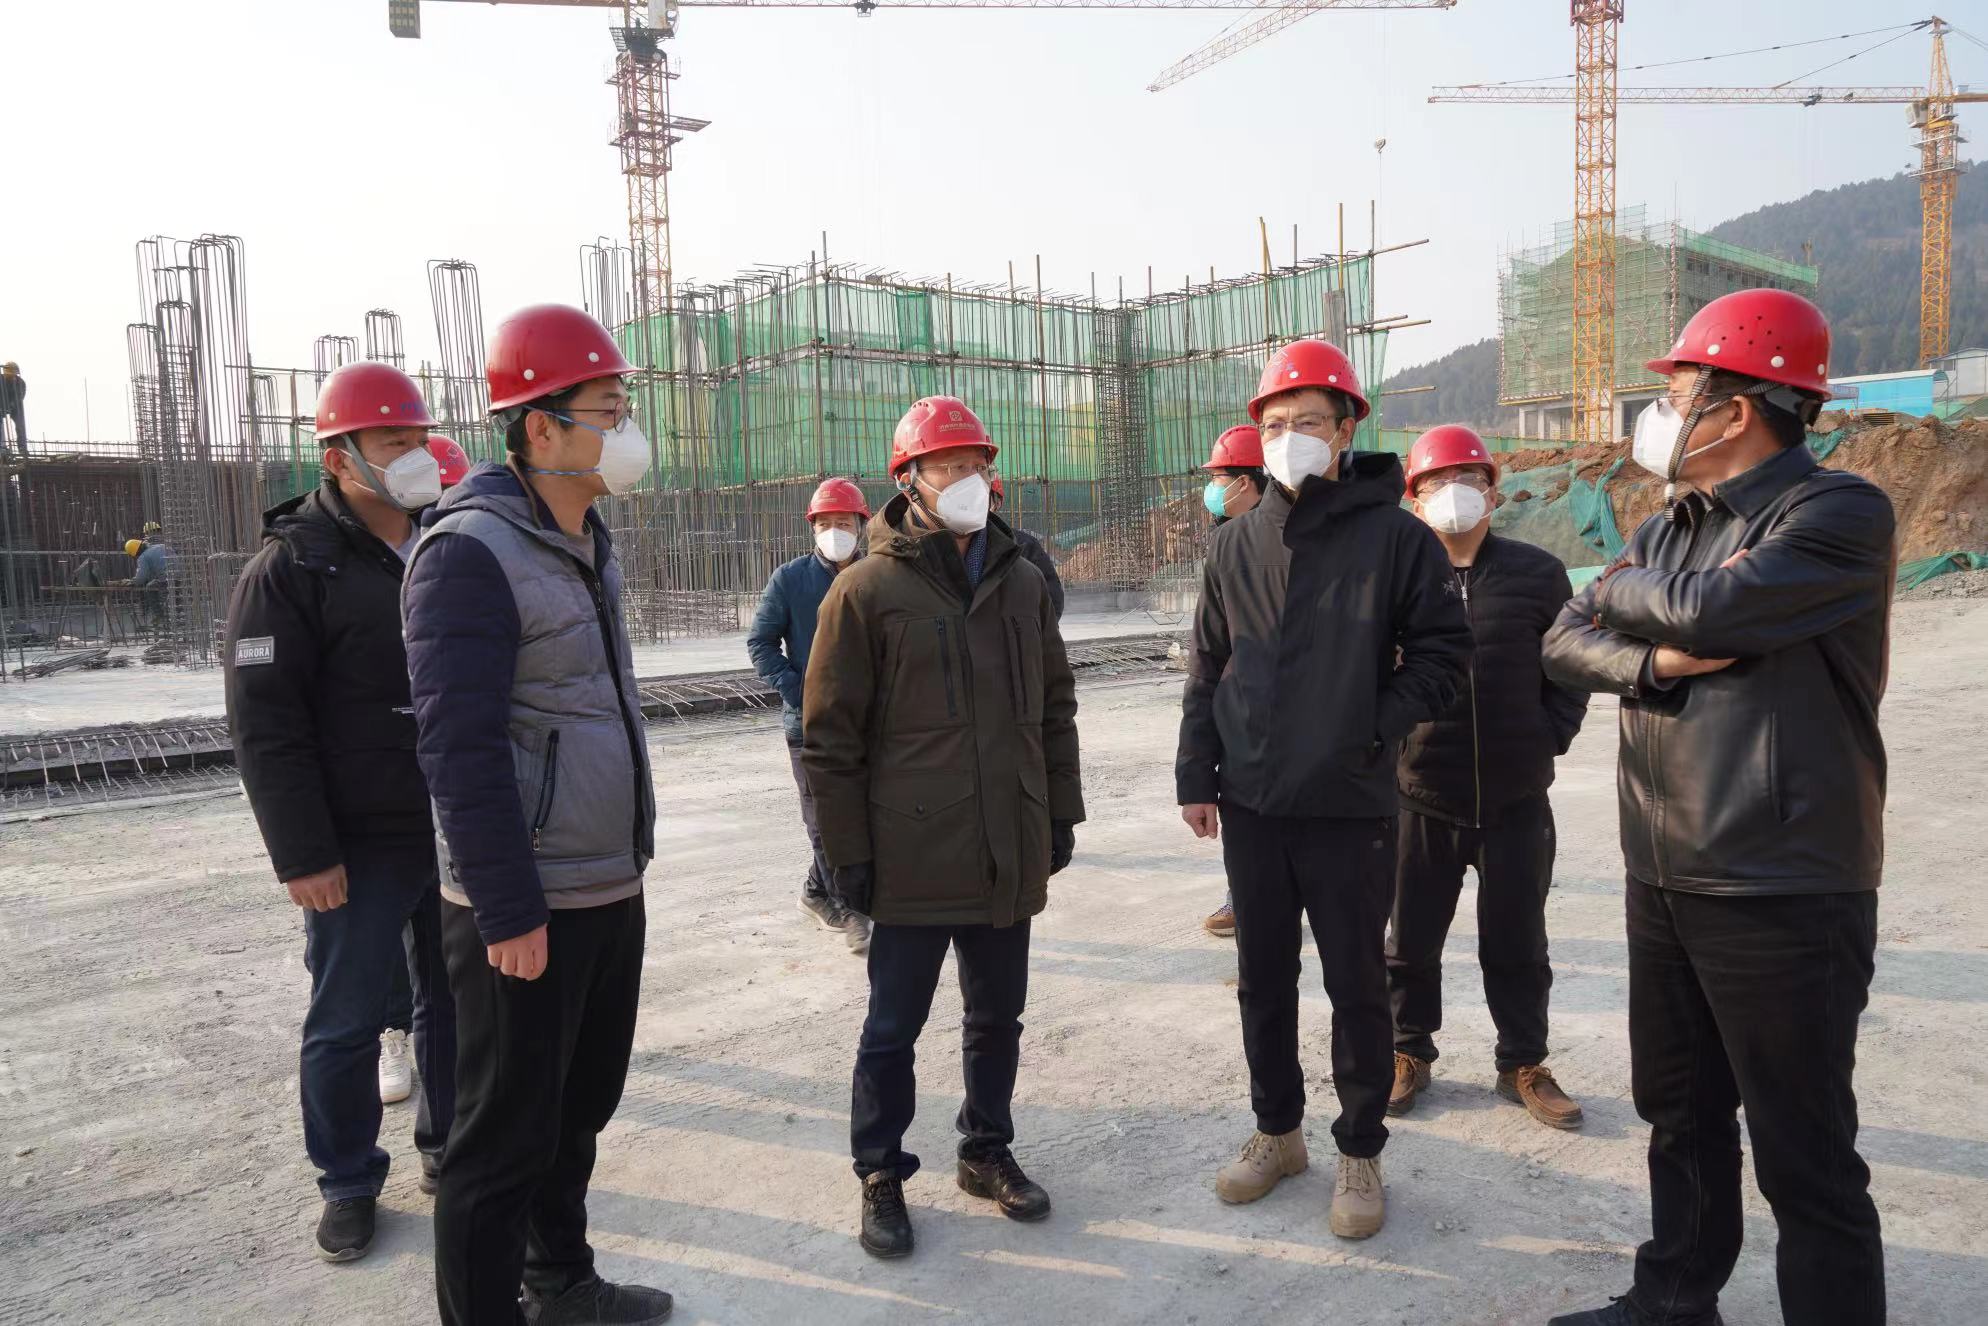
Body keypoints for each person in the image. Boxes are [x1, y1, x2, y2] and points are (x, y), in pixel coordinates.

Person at [1541, 290, 1893, 1326]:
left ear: (1735, 410)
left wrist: (1616, 592)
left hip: (1779, 879)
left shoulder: (1836, 512)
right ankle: (1672, 1302)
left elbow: (1713, 607)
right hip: (1662, 866)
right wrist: (1651, 659)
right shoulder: (1668, 523)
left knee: (1802, 1151)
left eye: (1677, 392)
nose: (1659, 415)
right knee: (1679, 1114)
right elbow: (1559, 640)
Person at [403, 303, 672, 1326]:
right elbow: (457, 750)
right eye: (607, 409)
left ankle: (560, 1281)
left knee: (575, 1112)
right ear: (540, 428)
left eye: (624, 406)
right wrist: (507, 907)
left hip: (604, 879)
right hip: (526, 903)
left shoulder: (583, 537)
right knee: (498, 1141)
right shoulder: (468, 552)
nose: (626, 429)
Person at [1175, 340, 1470, 1241]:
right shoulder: (1235, 543)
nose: (1289, 437)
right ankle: (1278, 1132)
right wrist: (1197, 773)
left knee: (1356, 984)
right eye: (1274, 424)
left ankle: (1359, 1148)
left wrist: (1371, 724)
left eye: (1308, 421)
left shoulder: (1397, 539)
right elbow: (1208, 666)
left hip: (1349, 803)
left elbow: (1444, 656)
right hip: (1253, 803)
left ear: (1346, 431)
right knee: (1262, 979)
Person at [803, 395, 1084, 1260]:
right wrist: (845, 854)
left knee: (998, 1018)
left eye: (977, 465)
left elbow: (1055, 708)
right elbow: (830, 738)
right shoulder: (865, 591)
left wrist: (1060, 812)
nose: (968, 480)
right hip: (911, 852)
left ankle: (985, 1150)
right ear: (910, 481)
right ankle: (880, 1172)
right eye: (948, 466)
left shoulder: (1024, 581)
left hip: (1006, 841)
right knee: (893, 1029)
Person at [221, 360, 456, 1264]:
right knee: (348, 1017)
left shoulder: (445, 542)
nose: (415, 455)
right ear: (338, 458)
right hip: (355, 844)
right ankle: (349, 1181)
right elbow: (265, 726)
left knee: (454, 1004)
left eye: (419, 438)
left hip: (450, 825)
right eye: (393, 442)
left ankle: (447, 1146)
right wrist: (303, 854)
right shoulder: (291, 570)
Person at [1385, 425, 1588, 1130]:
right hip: (1421, 796)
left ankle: (1522, 1062)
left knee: (1519, 943)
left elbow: (1569, 668)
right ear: (1413, 501)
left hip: (1516, 800)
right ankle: (1407, 1051)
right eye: (1436, 482)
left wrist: (1549, 736)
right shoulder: (1398, 580)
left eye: (1469, 477)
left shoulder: (1538, 574)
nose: (1454, 492)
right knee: (1409, 944)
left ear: (1494, 492)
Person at [380, 433, 474, 1105]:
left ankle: (451, 1063)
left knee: (447, 947)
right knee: (388, 934)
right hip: (383, 789)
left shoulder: (469, 559)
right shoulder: (361, 565)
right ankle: (393, 1031)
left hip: (449, 782)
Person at [746, 477, 874, 954]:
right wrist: (802, 692)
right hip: (810, 727)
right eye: (825, 523)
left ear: (861, 526)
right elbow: (761, 643)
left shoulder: (879, 576)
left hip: (868, 724)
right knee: (824, 821)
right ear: (812, 528)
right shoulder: (791, 579)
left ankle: (817, 891)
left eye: (844, 522)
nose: (835, 531)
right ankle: (850, 908)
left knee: (866, 813)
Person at [1194, 423, 1267, 940]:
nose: (1213, 488)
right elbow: (1208, 648)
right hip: (1241, 709)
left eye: (1221, 478)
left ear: (1248, 482)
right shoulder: (1225, 540)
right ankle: (1242, 898)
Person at [987, 471, 1065, 619]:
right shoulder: (940, 548)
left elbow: (1051, 601)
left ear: (997, 503)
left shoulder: (1024, 546)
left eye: (981, 495)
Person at [127, 527, 173, 630]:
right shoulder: (161, 546)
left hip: (167, 579)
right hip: (180, 575)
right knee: (171, 595)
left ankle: (160, 616)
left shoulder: (143, 557)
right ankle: (173, 614)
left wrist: (132, 582)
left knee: (150, 587)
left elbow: (141, 578)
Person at [0, 362, 25, 456]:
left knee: (20, 425)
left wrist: (12, 405)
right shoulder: (0, 380)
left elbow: (20, 396)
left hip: (16, 406)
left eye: (13, 375)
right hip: (2, 405)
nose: (12, 377)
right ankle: (2, 446)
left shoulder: (20, 383)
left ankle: (22, 447)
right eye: (10, 375)